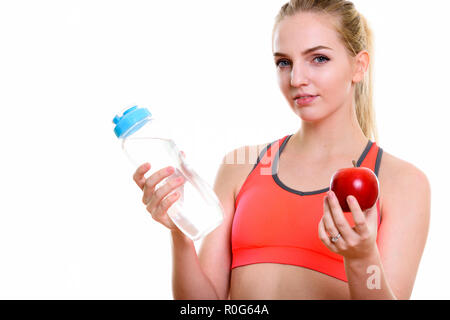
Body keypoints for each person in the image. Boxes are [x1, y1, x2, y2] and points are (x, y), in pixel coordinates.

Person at [133, 0, 431, 300]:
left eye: (318, 59)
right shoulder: (241, 166)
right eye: (283, 62)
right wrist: (181, 232)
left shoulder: (401, 182)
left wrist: (361, 259)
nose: (296, 79)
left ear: (358, 66)